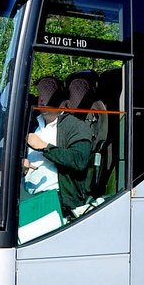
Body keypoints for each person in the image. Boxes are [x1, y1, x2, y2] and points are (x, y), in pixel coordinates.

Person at [22, 76, 93, 220]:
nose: (41, 100)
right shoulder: (34, 125)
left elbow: (79, 160)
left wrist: (44, 147)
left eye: (47, 96)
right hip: (27, 196)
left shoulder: (76, 127)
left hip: (56, 200)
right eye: (40, 95)